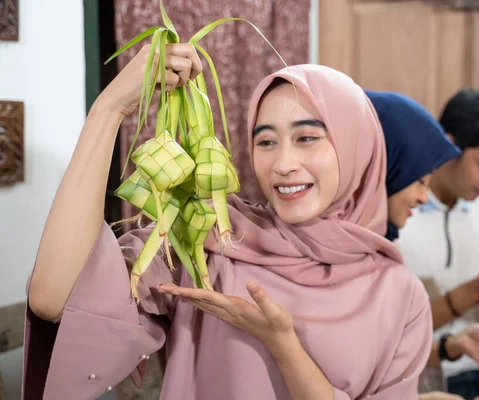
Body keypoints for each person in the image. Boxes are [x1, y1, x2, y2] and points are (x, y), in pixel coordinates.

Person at [24, 44, 432, 400]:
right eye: (266, 141)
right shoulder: (209, 244)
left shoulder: (400, 295)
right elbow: (53, 298)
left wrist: (282, 343)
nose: (284, 165)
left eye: (307, 138)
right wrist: (109, 109)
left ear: (359, 147)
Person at [367, 90, 479, 400]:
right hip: (415, 376)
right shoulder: (393, 214)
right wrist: (473, 292)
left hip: (475, 368)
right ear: (449, 147)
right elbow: (386, 340)